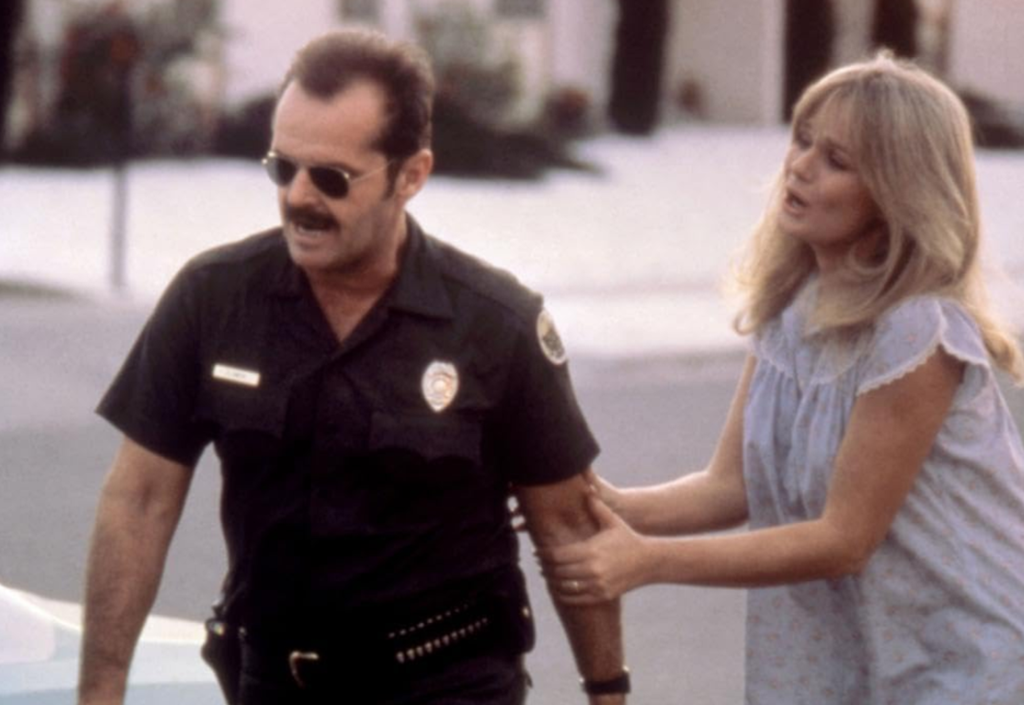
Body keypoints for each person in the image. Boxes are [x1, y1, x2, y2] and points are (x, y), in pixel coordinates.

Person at [77, 29, 628, 705]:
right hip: (275, 683)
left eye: (332, 178)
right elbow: (139, 500)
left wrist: (608, 692)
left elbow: (567, 527)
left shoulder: (495, 323)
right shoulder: (212, 298)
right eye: (283, 168)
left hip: (446, 685)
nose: (299, 197)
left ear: (411, 175)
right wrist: (100, 691)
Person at [536, 53, 1024, 704]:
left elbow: (843, 540)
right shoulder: (791, 309)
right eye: (803, 139)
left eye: (837, 160)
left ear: (897, 190)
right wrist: (597, 503)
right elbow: (728, 487)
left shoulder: (917, 329)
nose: (800, 166)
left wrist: (647, 561)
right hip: (857, 657)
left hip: (969, 660)